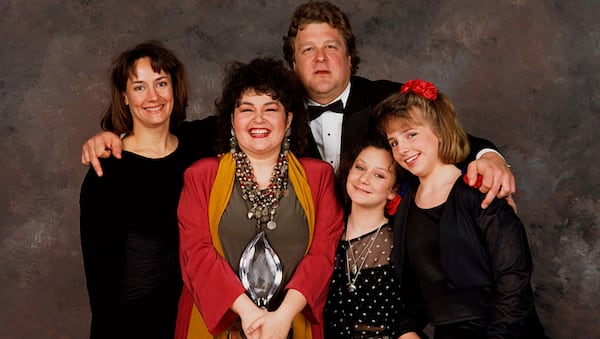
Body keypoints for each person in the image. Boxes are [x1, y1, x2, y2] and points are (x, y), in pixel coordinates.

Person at [81, 1, 513, 209]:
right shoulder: (271, 111)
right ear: (293, 61)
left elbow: (450, 139)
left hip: (387, 257)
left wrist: (490, 156)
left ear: (349, 56)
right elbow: (190, 133)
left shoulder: (387, 99)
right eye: (308, 50)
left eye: (331, 47)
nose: (321, 59)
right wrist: (117, 135)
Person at [174, 57, 344, 339]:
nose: (258, 120)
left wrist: (282, 318)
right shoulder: (201, 177)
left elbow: (322, 256)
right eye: (246, 109)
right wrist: (250, 315)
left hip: (292, 324)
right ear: (232, 118)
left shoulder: (319, 178)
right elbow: (197, 256)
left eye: (270, 109)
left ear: (288, 118)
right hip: (216, 328)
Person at [373, 79, 547, 338]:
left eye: (411, 134)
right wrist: (405, 329)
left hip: (506, 331)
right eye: (394, 142)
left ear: (439, 132)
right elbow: (415, 288)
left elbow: (514, 279)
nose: (402, 149)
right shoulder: (405, 205)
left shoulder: (479, 191)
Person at [79, 40, 214, 338]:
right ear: (124, 97)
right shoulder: (107, 171)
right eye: (139, 87)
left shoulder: (201, 142)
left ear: (174, 88)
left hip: (198, 320)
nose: (152, 96)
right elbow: (101, 284)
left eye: (161, 83)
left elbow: (257, 105)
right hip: (134, 325)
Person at [324, 137, 427, 339]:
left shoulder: (402, 240)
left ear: (393, 190)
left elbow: (419, 308)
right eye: (360, 168)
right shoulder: (327, 233)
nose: (364, 179)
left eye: (379, 175)